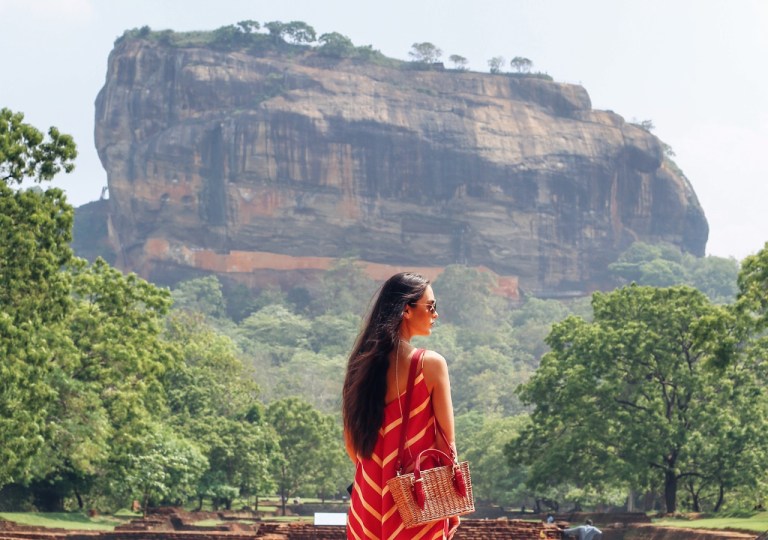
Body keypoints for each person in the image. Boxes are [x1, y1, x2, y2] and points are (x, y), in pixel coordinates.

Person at [343, 272, 460, 539]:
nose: (435, 314)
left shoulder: (360, 366)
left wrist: (381, 475)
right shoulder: (429, 364)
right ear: (407, 310)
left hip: (367, 501)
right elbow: (446, 445)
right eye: (430, 307)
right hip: (417, 502)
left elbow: (352, 444)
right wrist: (451, 507)